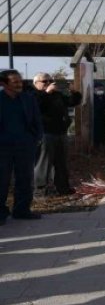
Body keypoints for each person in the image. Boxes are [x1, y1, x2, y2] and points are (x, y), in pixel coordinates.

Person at [0, 70, 44, 224]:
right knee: (2, 180)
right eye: (15, 82)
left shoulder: (28, 99)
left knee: (25, 179)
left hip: (25, 145)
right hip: (3, 148)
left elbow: (36, 119)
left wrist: (37, 137)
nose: (20, 84)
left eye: (20, 81)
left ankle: (22, 210)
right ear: (3, 83)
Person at [32, 73, 82, 196]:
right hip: (45, 133)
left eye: (50, 80)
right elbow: (35, 108)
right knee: (43, 163)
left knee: (61, 163)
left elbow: (71, 102)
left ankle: (63, 188)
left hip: (60, 132)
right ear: (36, 83)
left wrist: (74, 93)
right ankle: (40, 191)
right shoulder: (34, 95)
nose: (49, 83)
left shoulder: (57, 95)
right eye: (45, 81)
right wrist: (46, 93)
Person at [93, 83, 105, 148]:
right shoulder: (93, 97)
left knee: (104, 136)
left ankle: (103, 148)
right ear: (94, 89)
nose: (101, 90)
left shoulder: (104, 97)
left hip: (104, 119)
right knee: (97, 137)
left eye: (102, 89)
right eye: (99, 88)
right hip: (96, 120)